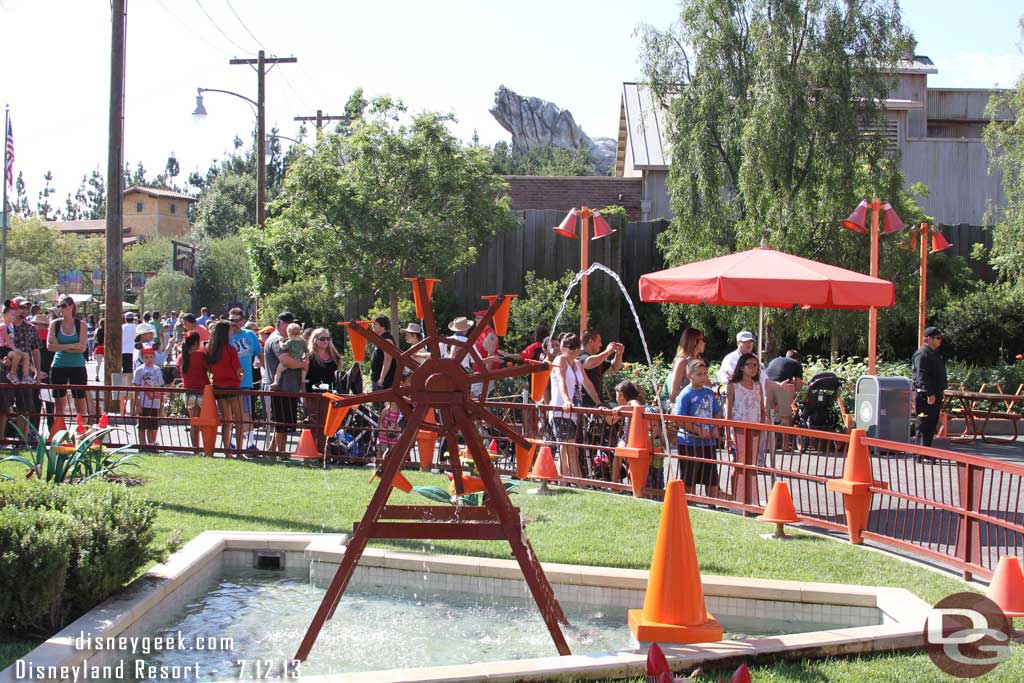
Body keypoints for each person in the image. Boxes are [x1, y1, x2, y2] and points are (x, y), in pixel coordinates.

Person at [548, 333, 599, 479]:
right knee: (568, 449)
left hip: (573, 413)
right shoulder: (560, 360)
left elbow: (587, 384)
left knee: (568, 449)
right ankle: (579, 483)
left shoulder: (576, 363)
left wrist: (598, 402)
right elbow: (561, 380)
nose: (574, 353)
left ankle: (564, 481)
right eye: (571, 350)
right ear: (563, 348)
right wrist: (566, 400)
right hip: (561, 411)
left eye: (576, 350)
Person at [674, 359, 722, 498]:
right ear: (690, 375)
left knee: (711, 476)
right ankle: (689, 501)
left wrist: (715, 427)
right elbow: (679, 419)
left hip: (709, 442)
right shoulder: (685, 394)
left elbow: (717, 412)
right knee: (689, 476)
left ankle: (712, 503)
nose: (703, 377)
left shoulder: (709, 392)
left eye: (705, 374)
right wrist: (698, 430)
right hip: (690, 442)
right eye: (699, 374)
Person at [265, 311, 308, 454]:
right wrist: (302, 365)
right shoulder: (277, 340)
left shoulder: (286, 339)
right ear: (282, 323)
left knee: (283, 423)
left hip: (288, 387)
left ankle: (272, 450)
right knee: (281, 425)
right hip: (281, 388)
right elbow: (286, 360)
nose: (293, 326)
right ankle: (281, 454)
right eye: (290, 323)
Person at [47, 295, 90, 419]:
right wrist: (72, 345)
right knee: (59, 405)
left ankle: (82, 433)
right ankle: (59, 433)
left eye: (64, 305)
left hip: (77, 366)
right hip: (59, 366)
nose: (61, 309)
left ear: (71, 306)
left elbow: (82, 348)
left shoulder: (81, 325)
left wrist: (61, 346)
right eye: (59, 306)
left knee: (80, 402)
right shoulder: (54, 324)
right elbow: (50, 346)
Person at [206, 320, 243, 456]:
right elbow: (238, 371)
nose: (232, 332)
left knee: (227, 421)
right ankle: (239, 451)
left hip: (219, 387)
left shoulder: (211, 350)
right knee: (239, 420)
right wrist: (241, 376)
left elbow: (210, 368)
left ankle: (228, 451)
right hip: (233, 387)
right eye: (230, 330)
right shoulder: (231, 350)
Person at [228, 308, 262, 451]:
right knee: (229, 414)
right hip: (228, 382)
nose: (233, 324)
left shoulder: (250, 335)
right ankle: (229, 441)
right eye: (231, 321)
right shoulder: (225, 336)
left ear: (242, 321)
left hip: (246, 381)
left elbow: (260, 355)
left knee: (247, 413)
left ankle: (250, 443)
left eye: (236, 321)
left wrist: (268, 374)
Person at [726, 352, 767, 471]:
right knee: (738, 464)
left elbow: (762, 409)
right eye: (750, 365)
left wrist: (763, 427)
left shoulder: (758, 385)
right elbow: (728, 412)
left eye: (755, 365)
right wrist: (728, 436)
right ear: (741, 367)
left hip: (755, 429)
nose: (753, 368)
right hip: (739, 430)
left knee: (751, 464)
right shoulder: (733, 386)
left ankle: (749, 489)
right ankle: (737, 489)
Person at [912, 326, 947, 451]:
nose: (940, 340)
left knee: (932, 424)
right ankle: (920, 453)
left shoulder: (934, 354)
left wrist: (941, 391)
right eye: (937, 338)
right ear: (928, 339)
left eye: (940, 338)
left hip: (935, 394)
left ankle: (927, 452)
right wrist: (929, 393)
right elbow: (921, 376)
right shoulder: (922, 354)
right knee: (923, 423)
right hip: (924, 396)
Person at [176, 331, 208, 451]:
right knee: (203, 422)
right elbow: (208, 368)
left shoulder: (181, 357)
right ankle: (205, 446)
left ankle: (195, 447)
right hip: (202, 391)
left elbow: (178, 367)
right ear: (196, 343)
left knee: (194, 422)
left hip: (188, 392)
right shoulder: (201, 356)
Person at [579, 330, 624, 407]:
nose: (601, 344)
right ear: (591, 341)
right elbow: (589, 363)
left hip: (597, 403)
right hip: (583, 404)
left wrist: (618, 354)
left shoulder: (598, 359)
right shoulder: (579, 355)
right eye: (599, 341)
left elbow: (614, 369)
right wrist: (608, 351)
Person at [664, 328, 706, 407]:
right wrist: (694, 389)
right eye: (703, 339)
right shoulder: (682, 362)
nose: (705, 343)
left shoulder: (700, 361)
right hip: (685, 409)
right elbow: (673, 395)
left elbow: (706, 386)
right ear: (694, 341)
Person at [132, 345, 164, 449]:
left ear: (154, 357)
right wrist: (137, 403)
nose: (149, 359)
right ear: (142, 358)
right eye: (146, 357)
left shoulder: (158, 369)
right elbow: (136, 388)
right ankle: (142, 444)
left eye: (151, 356)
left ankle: (152, 443)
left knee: (153, 424)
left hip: (155, 402)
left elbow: (160, 386)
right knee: (143, 425)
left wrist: (162, 404)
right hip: (144, 402)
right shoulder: (140, 370)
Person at [764, 350, 804, 427]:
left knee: (768, 414)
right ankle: (785, 437)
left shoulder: (775, 360)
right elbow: (798, 386)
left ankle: (768, 437)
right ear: (798, 359)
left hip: (767, 384)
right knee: (785, 416)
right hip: (782, 385)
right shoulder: (796, 364)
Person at [1, 302, 34, 383]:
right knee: (17, 355)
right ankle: (12, 373)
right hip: (2, 349)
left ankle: (25, 376)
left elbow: (11, 340)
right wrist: (15, 349)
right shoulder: (3, 326)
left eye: (15, 315)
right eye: (12, 314)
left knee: (26, 355)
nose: (14, 316)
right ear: (5, 315)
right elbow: (7, 340)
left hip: (8, 348)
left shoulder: (11, 326)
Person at [271, 323, 308, 391]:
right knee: (304, 369)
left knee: (278, 371)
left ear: (289, 333)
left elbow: (283, 347)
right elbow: (307, 351)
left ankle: (275, 382)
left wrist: (280, 341)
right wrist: (307, 359)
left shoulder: (290, 341)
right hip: (299, 360)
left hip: (291, 359)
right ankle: (303, 379)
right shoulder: (303, 342)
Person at [369, 315, 397, 392]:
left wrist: (381, 379)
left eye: (375, 324)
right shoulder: (379, 338)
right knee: (376, 403)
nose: (372, 326)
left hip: (384, 381)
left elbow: (388, 360)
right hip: (376, 378)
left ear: (382, 325)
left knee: (382, 403)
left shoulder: (387, 339)